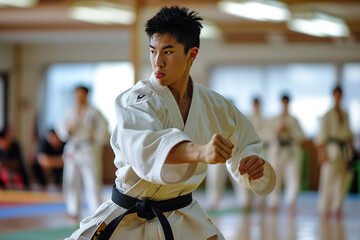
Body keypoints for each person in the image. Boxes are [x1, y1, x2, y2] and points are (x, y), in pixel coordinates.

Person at [66, 6, 275, 240]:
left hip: (182, 214)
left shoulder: (213, 104)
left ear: (191, 54)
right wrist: (200, 151)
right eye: (153, 51)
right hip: (128, 214)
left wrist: (249, 162)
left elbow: (244, 139)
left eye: (168, 52)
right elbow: (146, 148)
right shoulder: (136, 100)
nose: (158, 62)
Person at [56, 85, 109, 220]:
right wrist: (68, 130)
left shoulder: (94, 112)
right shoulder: (69, 112)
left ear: (86, 95)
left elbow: (104, 128)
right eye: (76, 94)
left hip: (88, 149)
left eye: (81, 94)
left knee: (92, 181)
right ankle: (73, 209)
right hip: (73, 148)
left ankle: (95, 211)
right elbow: (60, 130)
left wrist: (95, 135)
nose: (79, 97)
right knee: (71, 181)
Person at [316, 86, 353, 220]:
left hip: (344, 152)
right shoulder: (327, 115)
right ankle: (325, 209)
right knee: (327, 181)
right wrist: (321, 154)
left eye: (340, 95)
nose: (338, 97)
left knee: (342, 181)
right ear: (333, 95)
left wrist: (351, 152)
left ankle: (337, 208)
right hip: (331, 151)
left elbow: (349, 136)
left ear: (342, 96)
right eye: (336, 95)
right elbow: (321, 138)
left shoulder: (345, 114)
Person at [267, 94, 304, 215]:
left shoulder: (294, 120)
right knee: (275, 177)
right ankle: (273, 202)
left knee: (293, 177)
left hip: (290, 151)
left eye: (286, 103)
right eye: (283, 102)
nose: (285, 105)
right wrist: (277, 132)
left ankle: (291, 202)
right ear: (281, 103)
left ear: (288, 103)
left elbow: (301, 137)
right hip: (277, 151)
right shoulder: (273, 119)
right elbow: (264, 135)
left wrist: (290, 132)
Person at [239, 97, 270, 210]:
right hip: (249, 149)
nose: (256, 107)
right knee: (247, 174)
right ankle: (246, 201)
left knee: (261, 175)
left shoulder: (265, 119)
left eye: (258, 105)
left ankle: (261, 201)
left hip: (262, 149)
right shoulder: (247, 118)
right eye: (255, 105)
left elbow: (268, 135)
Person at [0, 125, 30, 190]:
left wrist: (4, 164)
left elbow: (18, 163)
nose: (1, 145)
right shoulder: (1, 149)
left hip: (19, 176)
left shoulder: (15, 146)